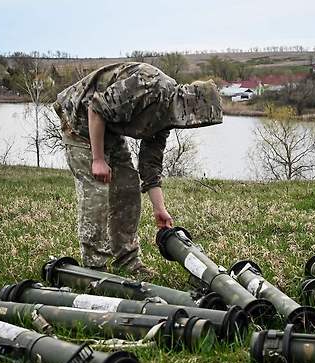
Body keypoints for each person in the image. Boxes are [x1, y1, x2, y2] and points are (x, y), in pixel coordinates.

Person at [54, 62, 223, 275]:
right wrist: (98, 159)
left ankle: (127, 262)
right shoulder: (151, 85)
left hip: (108, 130)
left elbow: (150, 166)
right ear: (190, 104)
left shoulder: (167, 116)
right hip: (79, 122)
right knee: (97, 191)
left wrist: (159, 208)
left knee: (128, 187)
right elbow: (96, 108)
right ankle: (94, 268)